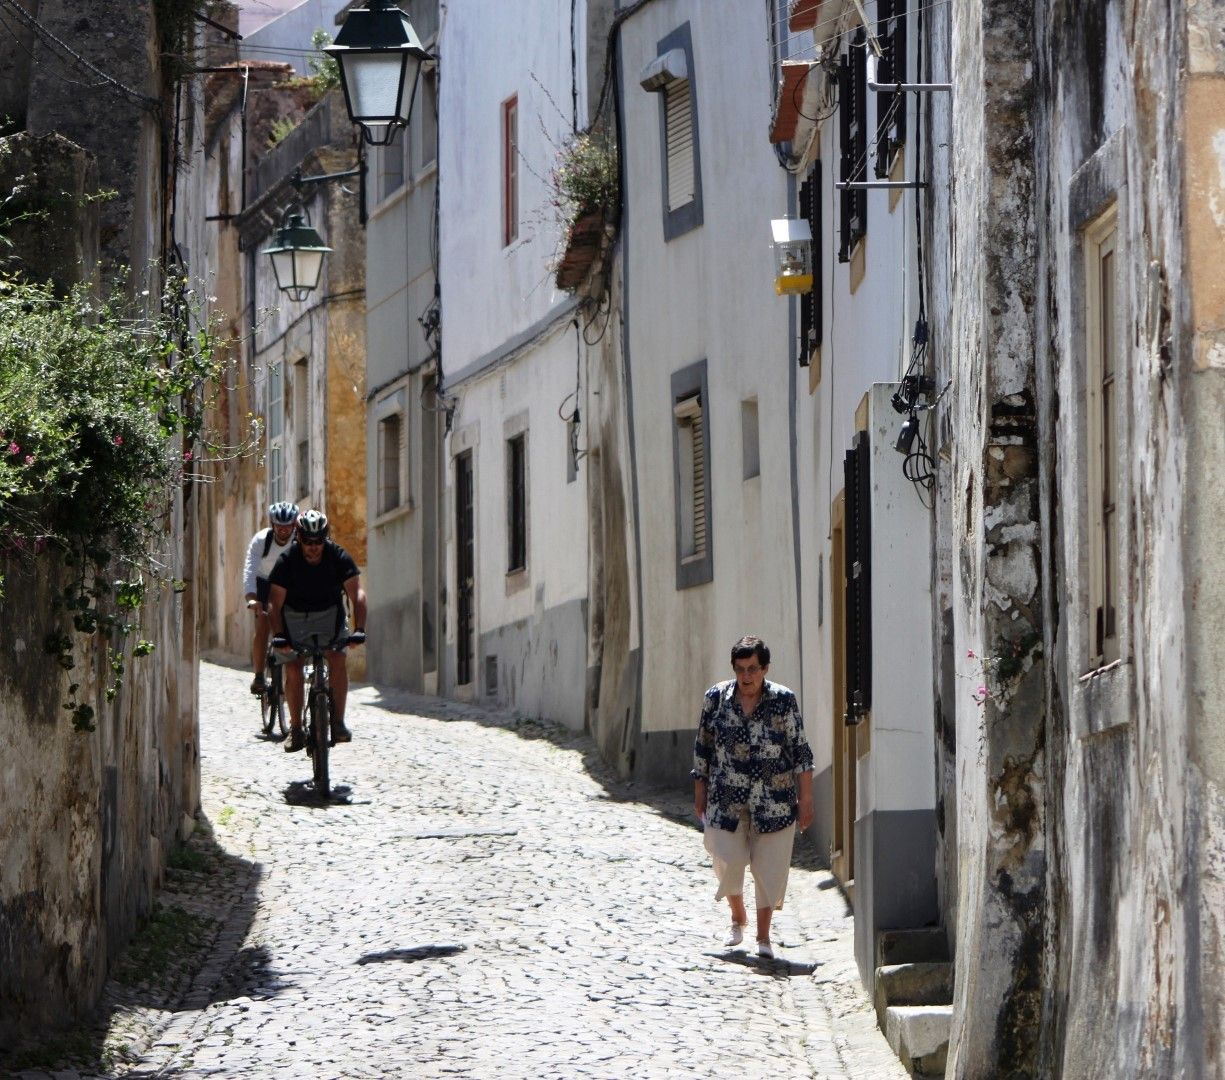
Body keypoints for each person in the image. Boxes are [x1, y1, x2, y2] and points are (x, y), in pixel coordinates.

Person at [692, 635, 814, 960]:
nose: (746, 676)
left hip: (774, 800)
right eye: (740, 669)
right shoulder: (716, 698)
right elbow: (702, 746)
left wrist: (806, 799)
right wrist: (700, 790)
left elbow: (801, 750)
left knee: (769, 868)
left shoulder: (783, 700)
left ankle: (763, 936)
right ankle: (737, 915)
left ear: (765, 669)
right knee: (726, 857)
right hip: (725, 798)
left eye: (753, 669)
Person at [267, 509, 367, 753]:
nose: (313, 547)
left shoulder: (338, 556)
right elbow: (275, 603)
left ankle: (338, 722)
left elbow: (357, 594)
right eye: (308, 541)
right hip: (294, 619)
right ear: (299, 538)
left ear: (326, 538)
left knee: (338, 659)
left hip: (330, 617)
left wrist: (359, 629)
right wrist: (279, 636)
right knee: (293, 666)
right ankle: (296, 729)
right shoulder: (287, 561)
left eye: (319, 541)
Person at [242, 501, 299, 695]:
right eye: (279, 526)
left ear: (294, 525)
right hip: (264, 582)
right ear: (272, 525)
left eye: (288, 526)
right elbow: (250, 571)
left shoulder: (299, 540)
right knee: (263, 624)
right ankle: (259, 675)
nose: (284, 530)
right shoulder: (261, 540)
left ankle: (290, 677)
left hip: (289, 583)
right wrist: (252, 598)